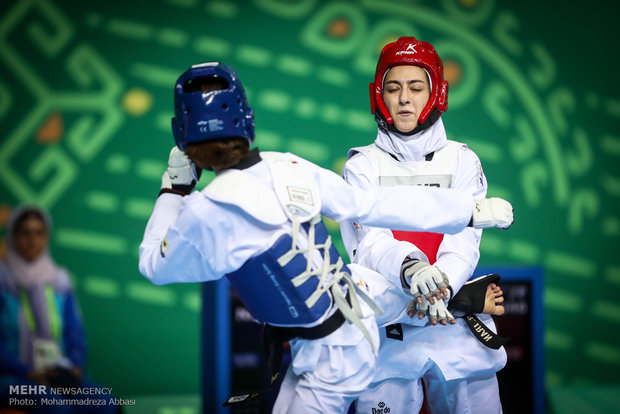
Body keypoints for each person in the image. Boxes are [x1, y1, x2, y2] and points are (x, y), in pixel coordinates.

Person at [137, 62, 514, 413]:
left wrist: (174, 189)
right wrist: (468, 212)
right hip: (357, 314)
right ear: (245, 120)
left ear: (182, 135)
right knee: (366, 282)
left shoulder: (203, 214)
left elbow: (153, 265)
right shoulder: (287, 166)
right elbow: (369, 204)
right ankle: (462, 299)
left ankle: (460, 298)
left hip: (328, 361)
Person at [340, 37, 508, 413]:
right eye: (393, 87)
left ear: (437, 94)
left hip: (454, 323)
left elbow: (464, 242)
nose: (404, 98)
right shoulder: (361, 166)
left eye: (416, 87)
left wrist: (440, 285)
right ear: (378, 95)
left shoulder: (464, 161)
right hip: (388, 329)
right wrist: (412, 270)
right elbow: (367, 244)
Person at [0, 205, 117, 413]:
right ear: (13, 236)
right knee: (56, 407)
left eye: (39, 233)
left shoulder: (59, 280)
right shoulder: (3, 280)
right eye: (25, 233)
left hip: (55, 372)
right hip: (12, 376)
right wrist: (27, 372)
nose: (33, 240)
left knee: (104, 403)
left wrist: (74, 366)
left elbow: (74, 333)